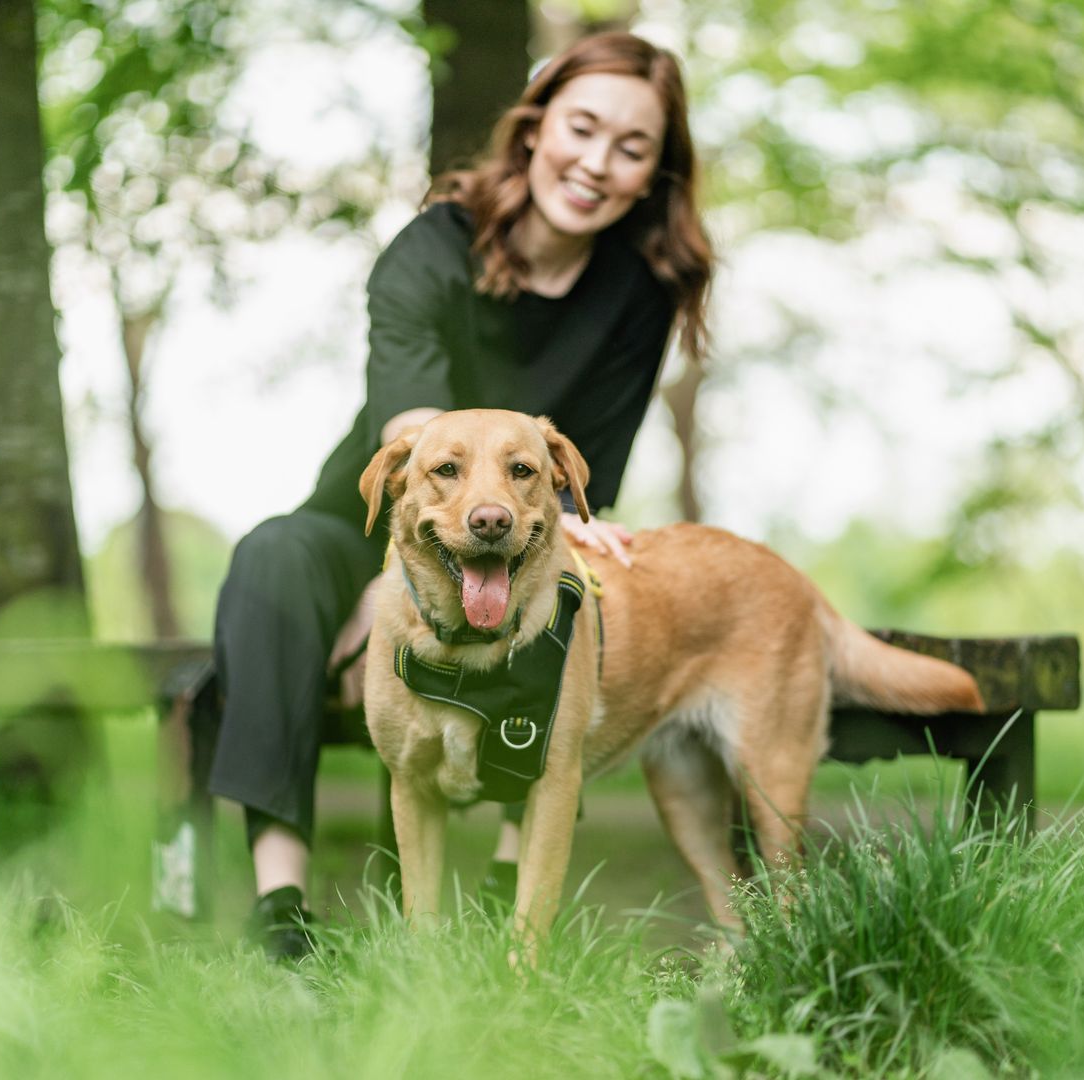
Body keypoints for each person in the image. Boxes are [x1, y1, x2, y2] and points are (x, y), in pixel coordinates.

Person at [210, 30, 714, 958]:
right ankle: (280, 912)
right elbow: (417, 439)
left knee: (570, 600)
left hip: (524, 530)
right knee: (270, 554)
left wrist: (564, 534)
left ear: (652, 177)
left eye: (631, 148)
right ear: (535, 128)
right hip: (382, 515)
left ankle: (501, 902)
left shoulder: (642, 292)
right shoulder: (430, 249)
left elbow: (583, 469)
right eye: (583, 127)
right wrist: (401, 581)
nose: (598, 163)